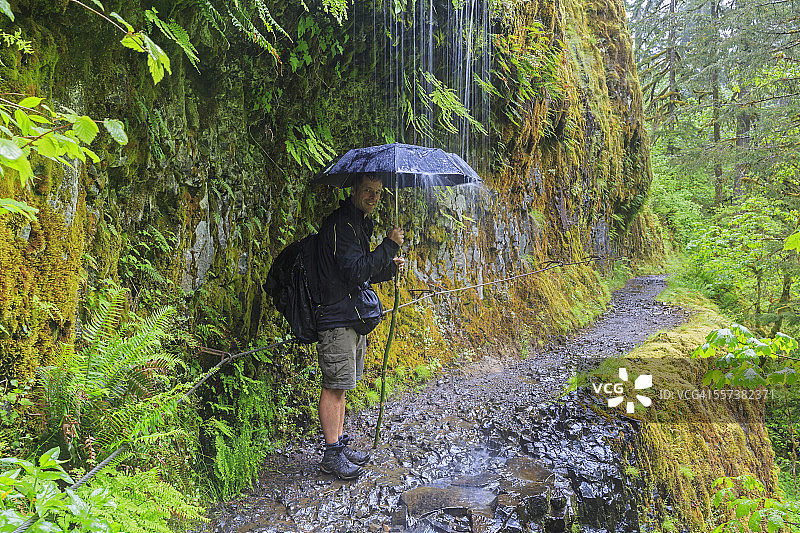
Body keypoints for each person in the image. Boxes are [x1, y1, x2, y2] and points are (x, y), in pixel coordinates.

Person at [314, 174, 405, 480]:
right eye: (368, 191)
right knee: (334, 385)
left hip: (349, 315)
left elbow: (364, 272)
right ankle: (331, 455)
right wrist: (388, 246)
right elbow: (354, 271)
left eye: (377, 192)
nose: (373, 197)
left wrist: (388, 266)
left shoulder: (357, 224)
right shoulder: (341, 225)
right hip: (335, 316)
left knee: (342, 384)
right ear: (353, 190)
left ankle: (338, 445)